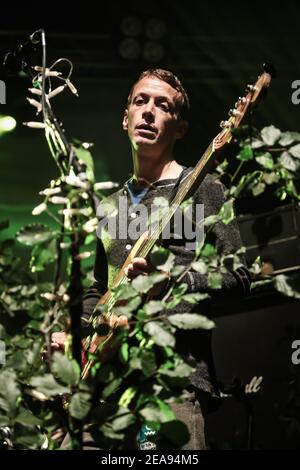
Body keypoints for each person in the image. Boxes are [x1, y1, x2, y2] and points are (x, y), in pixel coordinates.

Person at [52, 68, 251, 450]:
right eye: (140, 101)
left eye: (163, 106)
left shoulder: (205, 188)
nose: (148, 112)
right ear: (125, 117)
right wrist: (76, 337)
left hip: (170, 381)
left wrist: (175, 280)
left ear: (179, 128)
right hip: (104, 387)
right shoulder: (109, 207)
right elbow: (100, 288)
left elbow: (240, 277)